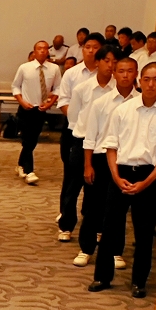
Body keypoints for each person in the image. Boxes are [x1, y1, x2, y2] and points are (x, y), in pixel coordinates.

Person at [88, 62, 156, 298]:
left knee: (144, 233)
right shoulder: (123, 110)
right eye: (146, 79)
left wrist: (147, 182)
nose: (150, 84)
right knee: (109, 229)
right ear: (140, 80)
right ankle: (102, 277)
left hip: (149, 176)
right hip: (120, 174)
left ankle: (139, 281)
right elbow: (110, 145)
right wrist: (116, 177)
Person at [75, 54, 138, 270]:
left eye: (130, 71)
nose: (125, 75)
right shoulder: (101, 103)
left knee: (118, 211)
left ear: (136, 74)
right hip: (101, 159)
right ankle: (86, 249)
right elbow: (90, 137)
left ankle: (115, 251)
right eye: (121, 71)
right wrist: (88, 164)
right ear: (114, 73)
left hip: (126, 160)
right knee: (93, 207)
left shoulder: (141, 104)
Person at [56, 33, 103, 238]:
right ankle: (66, 222)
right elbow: (63, 101)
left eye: (95, 47)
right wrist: (80, 121)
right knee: (72, 179)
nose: (91, 51)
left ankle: (91, 219)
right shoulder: (73, 74)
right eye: (87, 47)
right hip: (75, 132)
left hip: (101, 137)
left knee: (96, 181)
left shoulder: (108, 76)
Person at [10, 40, 61, 185]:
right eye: (40, 49)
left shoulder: (54, 69)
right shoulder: (25, 68)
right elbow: (15, 86)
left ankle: (20, 164)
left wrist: (50, 103)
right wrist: (21, 101)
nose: (43, 51)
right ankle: (29, 171)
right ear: (34, 51)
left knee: (32, 141)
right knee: (28, 138)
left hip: (41, 108)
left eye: (45, 49)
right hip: (26, 108)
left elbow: (58, 88)